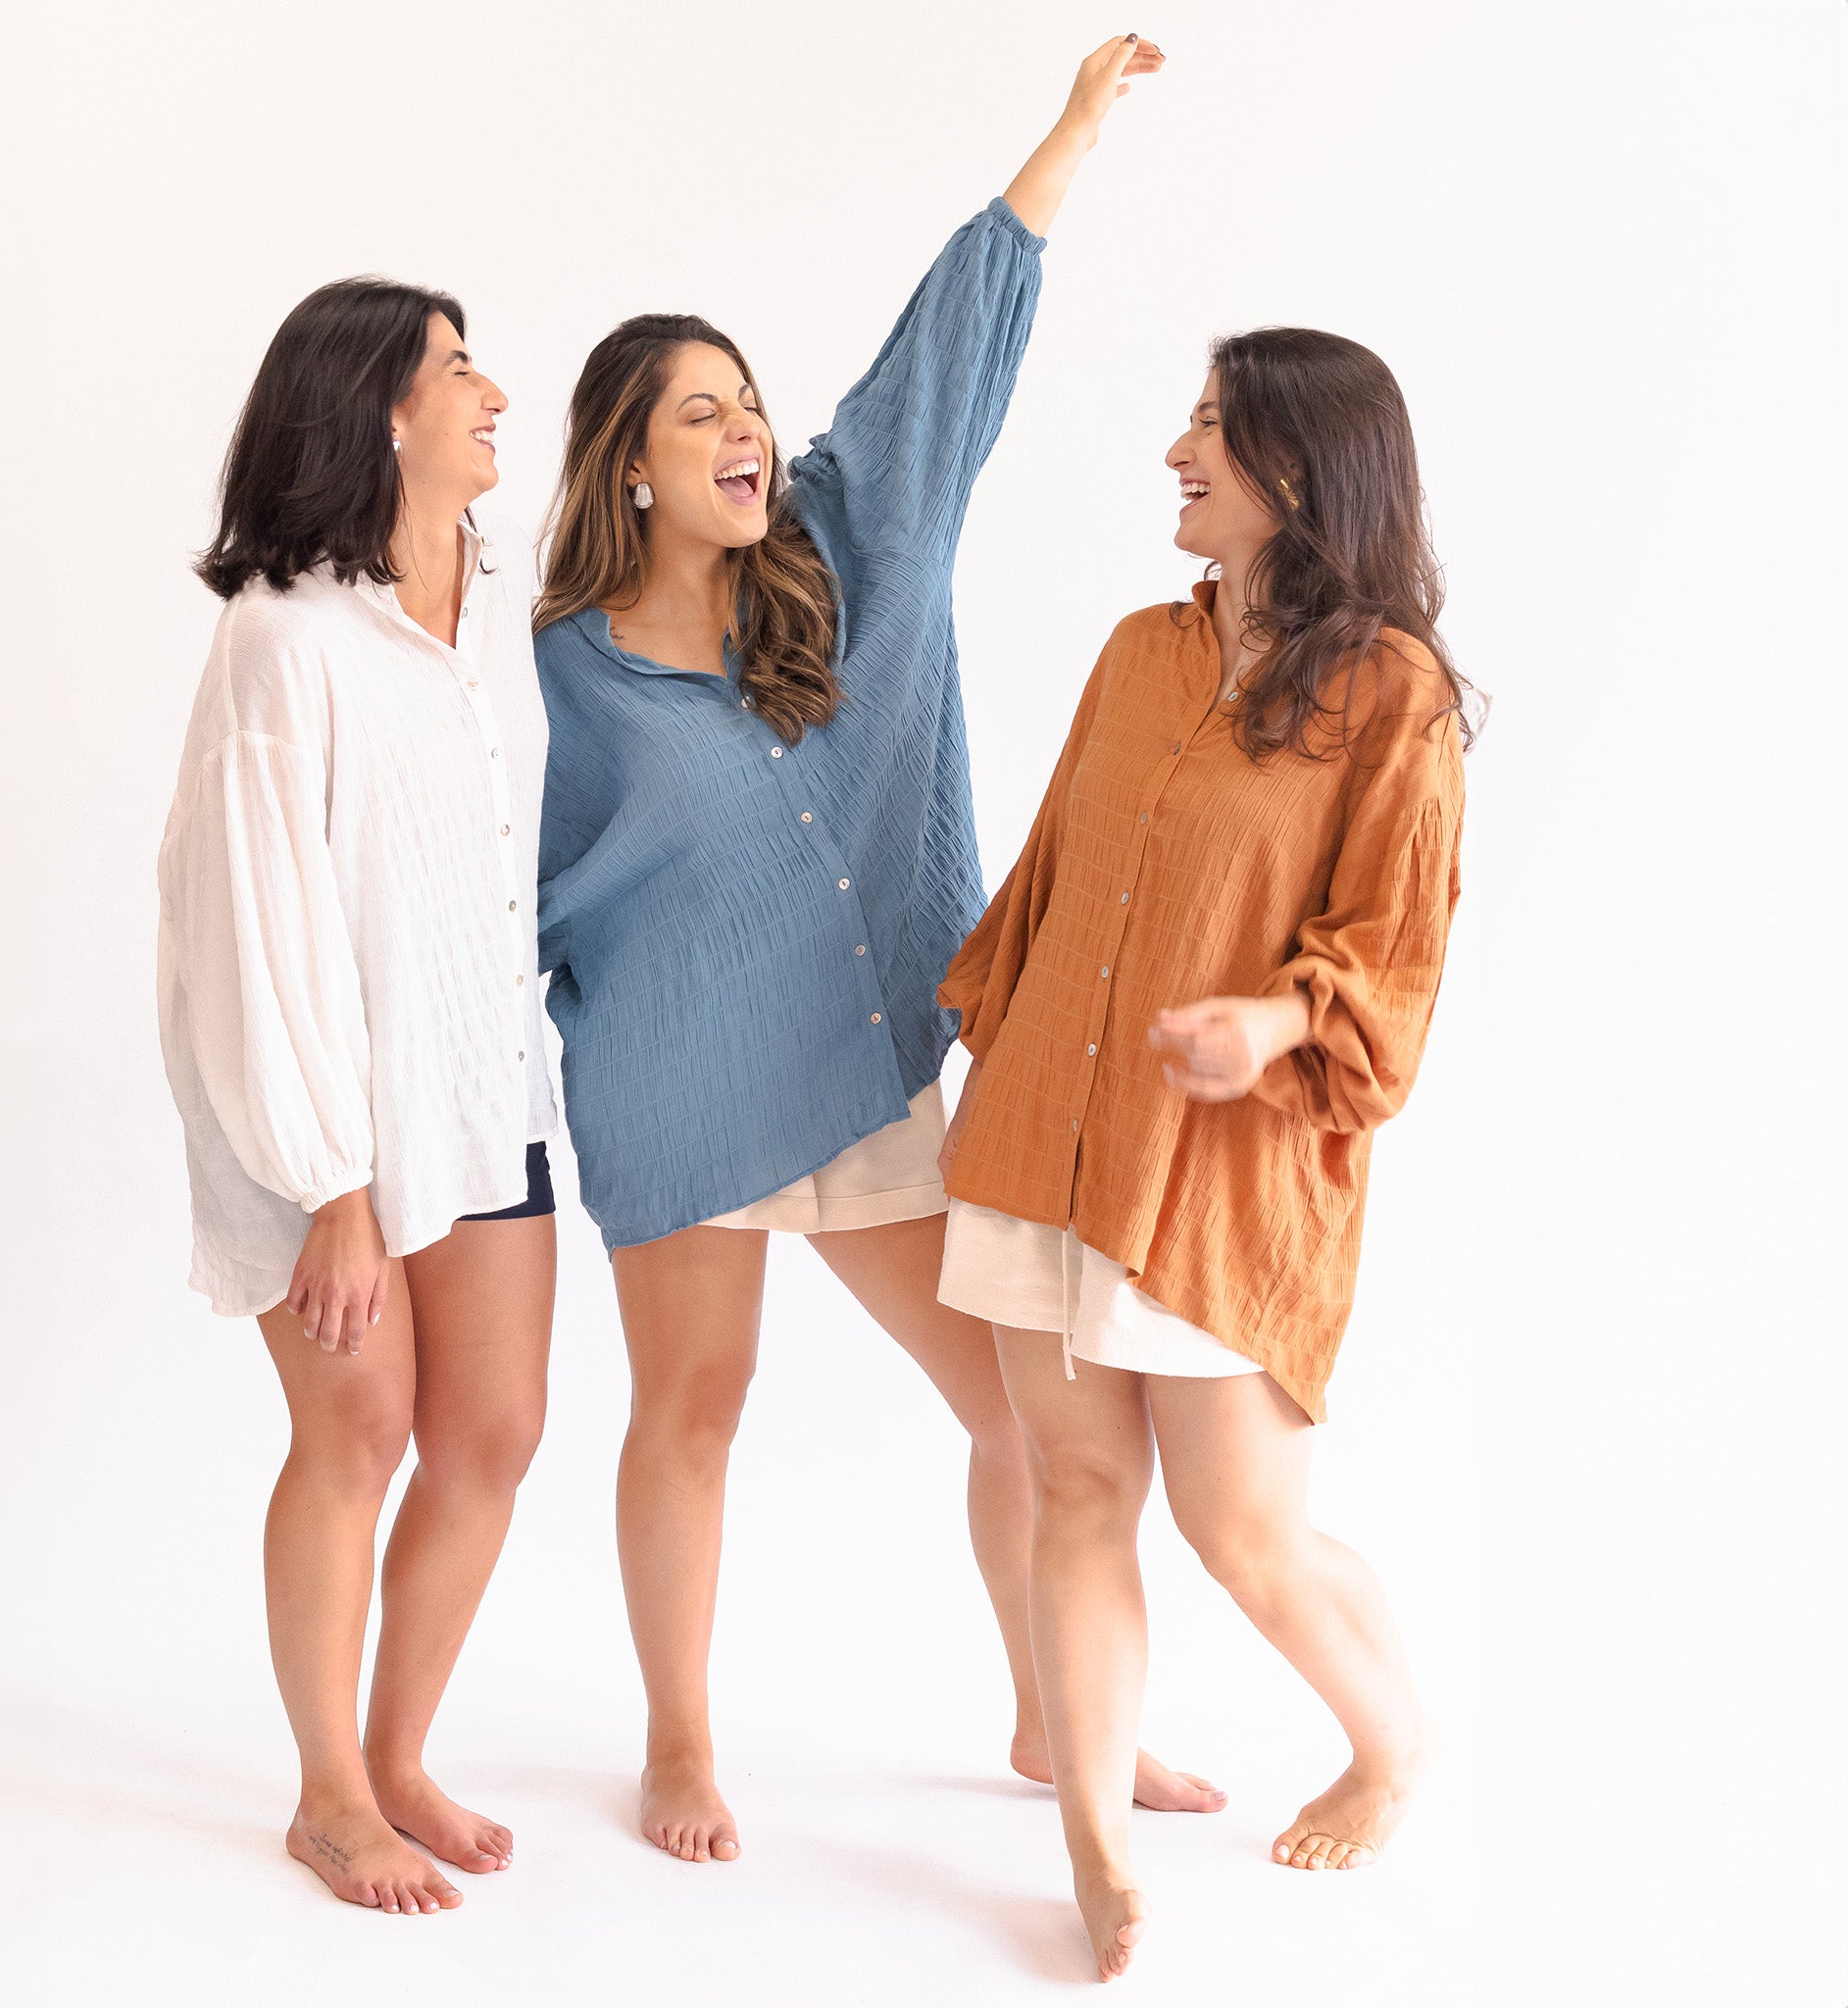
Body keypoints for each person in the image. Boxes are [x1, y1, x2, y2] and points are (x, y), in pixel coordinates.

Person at [534, 36, 1215, 1866]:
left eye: (747, 401)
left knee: (1023, 1413)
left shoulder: (854, 545)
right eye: (698, 413)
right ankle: (681, 1744)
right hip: (681, 1087)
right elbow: (518, 884)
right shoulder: (565, 669)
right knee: (696, 1407)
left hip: (861, 1064)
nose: (742, 430)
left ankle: (1053, 1712)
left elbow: (947, 352)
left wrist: (1068, 136)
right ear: (630, 466)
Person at [935, 329, 1473, 1980]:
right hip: (1047, 1134)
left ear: (1300, 468)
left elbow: (1392, 948)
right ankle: (1096, 1850)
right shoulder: (1136, 653)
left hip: (1225, 1168)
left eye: (1214, 428)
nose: (1177, 451)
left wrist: (1277, 1019)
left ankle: (1389, 1746)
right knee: (1079, 1490)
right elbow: (1051, 873)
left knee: (1245, 1533)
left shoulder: (1394, 694)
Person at [159, 279, 557, 1915]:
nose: (494, 394)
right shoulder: (284, 637)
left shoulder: (486, 612)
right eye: (459, 370)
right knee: (361, 1427)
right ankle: (330, 1798)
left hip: (480, 1086)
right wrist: (332, 1184)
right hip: (319, 1114)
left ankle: (397, 1756)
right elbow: (252, 920)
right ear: (382, 411)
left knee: (496, 1433)